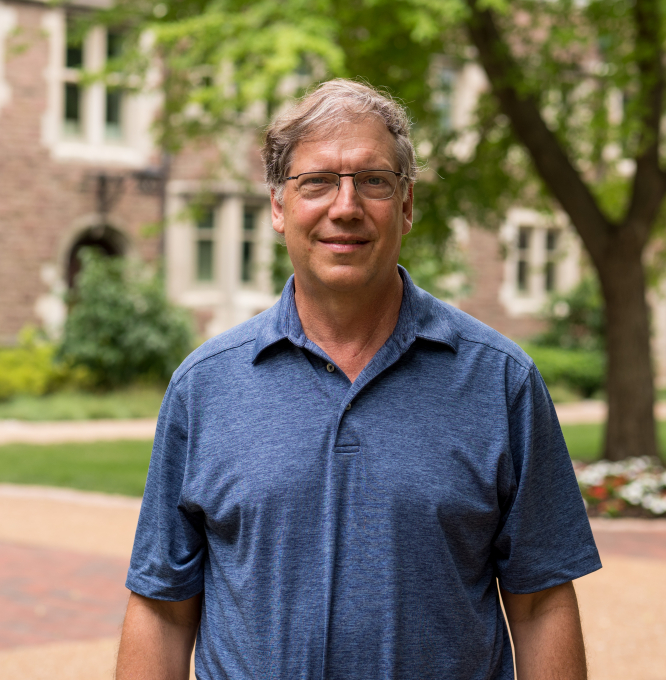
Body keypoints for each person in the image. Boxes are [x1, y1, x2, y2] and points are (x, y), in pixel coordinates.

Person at [116, 79, 601, 680]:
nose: (345, 207)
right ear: (277, 206)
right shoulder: (205, 386)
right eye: (316, 182)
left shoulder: (501, 381)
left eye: (373, 181)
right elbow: (163, 608)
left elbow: (540, 601)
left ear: (406, 205)